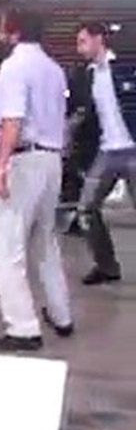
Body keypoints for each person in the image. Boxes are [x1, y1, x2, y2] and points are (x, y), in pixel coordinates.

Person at [0, 9, 72, 351]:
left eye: (1, 27)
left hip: (25, 159)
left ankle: (22, 327)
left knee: (4, 248)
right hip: (52, 160)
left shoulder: (14, 66)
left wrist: (1, 165)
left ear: (14, 31)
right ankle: (61, 315)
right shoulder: (55, 69)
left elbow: (13, 120)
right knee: (45, 242)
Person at [69, 22, 136, 285]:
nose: (79, 48)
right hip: (106, 152)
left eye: (83, 41)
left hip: (133, 148)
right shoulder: (84, 76)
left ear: (99, 40)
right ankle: (107, 266)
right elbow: (82, 113)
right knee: (86, 210)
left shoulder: (127, 66)